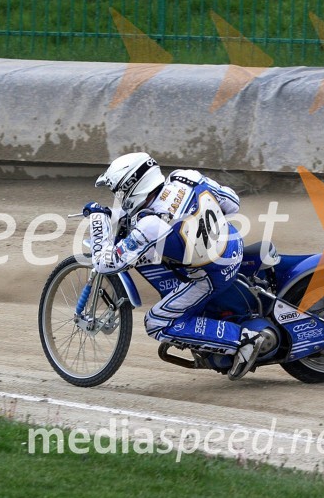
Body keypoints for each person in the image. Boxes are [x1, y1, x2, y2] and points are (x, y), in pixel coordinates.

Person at [88, 152, 271, 380]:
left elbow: (107, 263)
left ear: (133, 188)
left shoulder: (150, 225)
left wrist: (98, 223)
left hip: (211, 274)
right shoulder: (186, 178)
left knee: (156, 322)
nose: (118, 197)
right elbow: (232, 203)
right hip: (233, 242)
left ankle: (243, 340)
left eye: (119, 191)